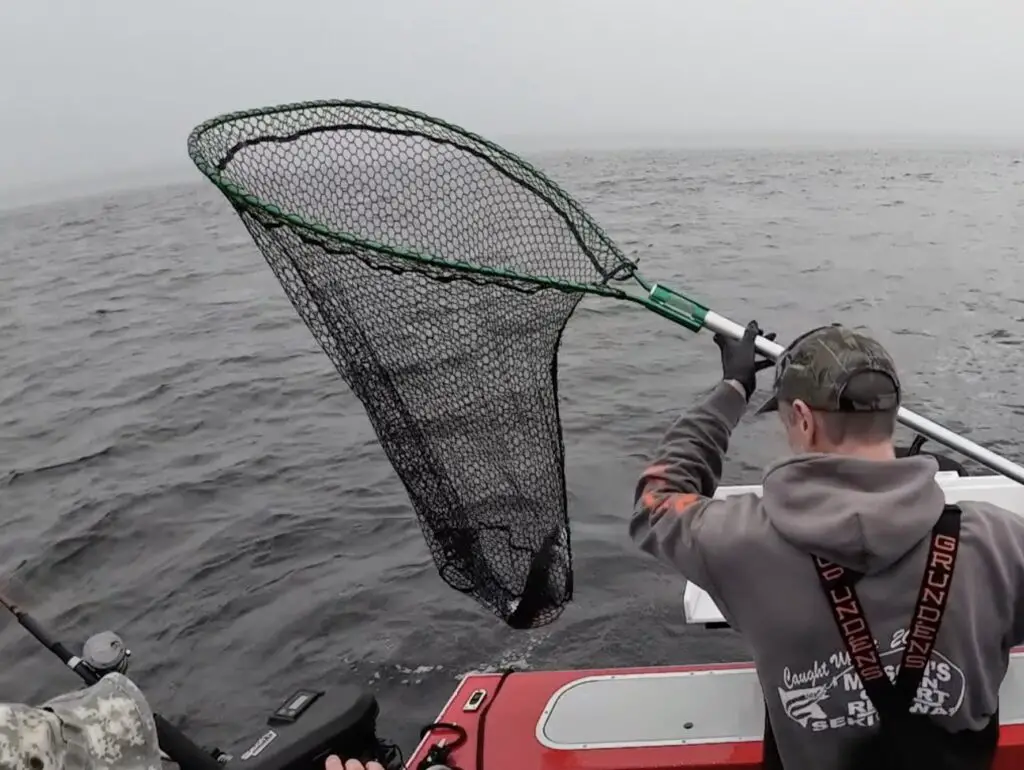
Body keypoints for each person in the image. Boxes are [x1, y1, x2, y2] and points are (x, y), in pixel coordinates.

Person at [630, 321, 1024, 770]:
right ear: (891, 413)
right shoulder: (1000, 542)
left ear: (802, 417)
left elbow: (656, 501)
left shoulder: (737, 541)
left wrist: (731, 391)